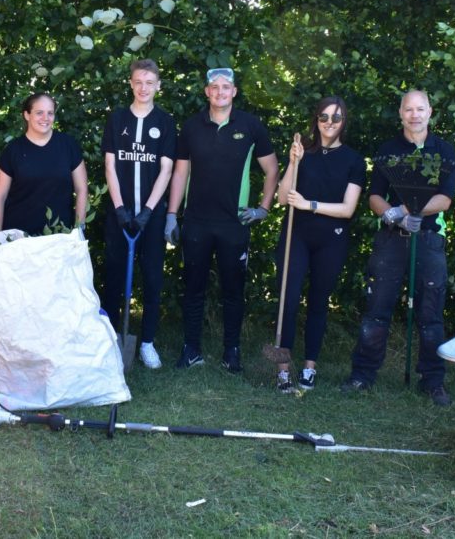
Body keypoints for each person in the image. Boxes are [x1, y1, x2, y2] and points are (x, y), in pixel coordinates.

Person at [342, 90, 455, 406]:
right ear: (401, 113)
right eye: (409, 109)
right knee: (376, 310)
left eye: (421, 109)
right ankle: (362, 375)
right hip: (391, 239)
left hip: (430, 239)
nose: (415, 115)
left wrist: (411, 211)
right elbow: (375, 197)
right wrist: (392, 215)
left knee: (431, 314)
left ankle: (432, 381)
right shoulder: (388, 150)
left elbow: (445, 199)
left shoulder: (444, 150)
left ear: (430, 111)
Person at [167, 67, 279, 372]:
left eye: (225, 87)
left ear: (234, 92)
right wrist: (172, 215)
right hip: (196, 222)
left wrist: (264, 209)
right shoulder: (191, 127)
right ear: (206, 92)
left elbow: (272, 170)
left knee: (233, 290)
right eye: (214, 87)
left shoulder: (251, 125)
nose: (219, 92)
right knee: (193, 288)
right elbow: (180, 172)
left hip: (234, 223)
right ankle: (191, 350)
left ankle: (232, 351)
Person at [274, 96, 366, 393]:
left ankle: (309, 367)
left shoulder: (353, 160)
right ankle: (283, 369)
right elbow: (281, 197)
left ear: (344, 122)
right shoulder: (304, 153)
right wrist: (293, 162)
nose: (329, 123)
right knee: (287, 301)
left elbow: (347, 209)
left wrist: (309, 204)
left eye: (336, 118)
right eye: (324, 117)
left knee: (318, 302)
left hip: (332, 240)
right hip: (295, 235)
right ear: (316, 120)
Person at [100, 59, 177, 369]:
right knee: (114, 277)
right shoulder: (117, 119)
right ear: (130, 84)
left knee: (153, 278)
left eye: (150, 82)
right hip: (119, 213)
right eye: (138, 82)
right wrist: (120, 209)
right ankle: (110, 339)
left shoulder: (166, 122)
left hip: (151, 217)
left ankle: (146, 342)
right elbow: (110, 166)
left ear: (158, 85)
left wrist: (148, 211)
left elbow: (167, 168)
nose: (144, 87)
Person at [0, 93, 88, 235]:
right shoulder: (13, 150)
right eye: (39, 113)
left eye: (50, 113)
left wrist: (79, 229)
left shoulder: (68, 145)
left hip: (60, 236)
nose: (45, 118)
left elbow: (82, 190)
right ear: (27, 115)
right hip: (19, 239)